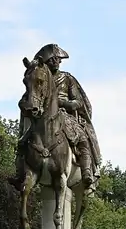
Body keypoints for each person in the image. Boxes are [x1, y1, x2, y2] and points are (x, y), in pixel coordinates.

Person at [16, 44, 102, 188]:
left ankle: (86, 171)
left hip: (64, 115)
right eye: (52, 59)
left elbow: (78, 102)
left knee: (82, 137)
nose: (56, 62)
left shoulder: (67, 78)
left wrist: (62, 102)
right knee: (24, 140)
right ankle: (20, 172)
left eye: (58, 59)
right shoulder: (39, 78)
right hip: (42, 117)